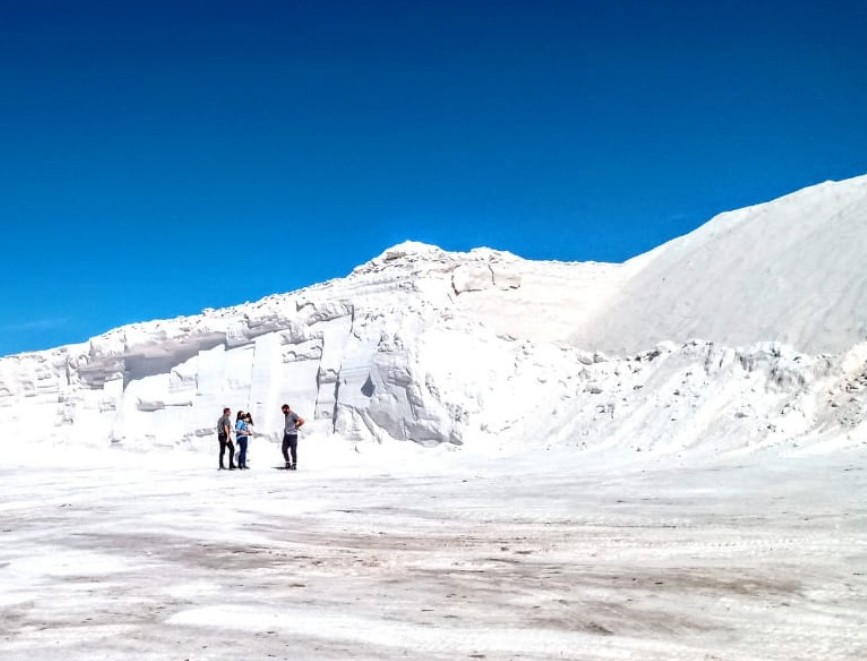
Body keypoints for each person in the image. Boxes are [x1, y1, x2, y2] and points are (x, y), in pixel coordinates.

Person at [281, 403, 305, 470]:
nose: (283, 412)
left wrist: (297, 426)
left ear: (288, 409)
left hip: (293, 436)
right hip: (286, 435)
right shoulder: (286, 414)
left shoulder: (293, 414)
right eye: (282, 411)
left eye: (284, 410)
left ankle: (294, 465)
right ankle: (288, 463)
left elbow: (302, 421)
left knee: (293, 450)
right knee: (284, 449)